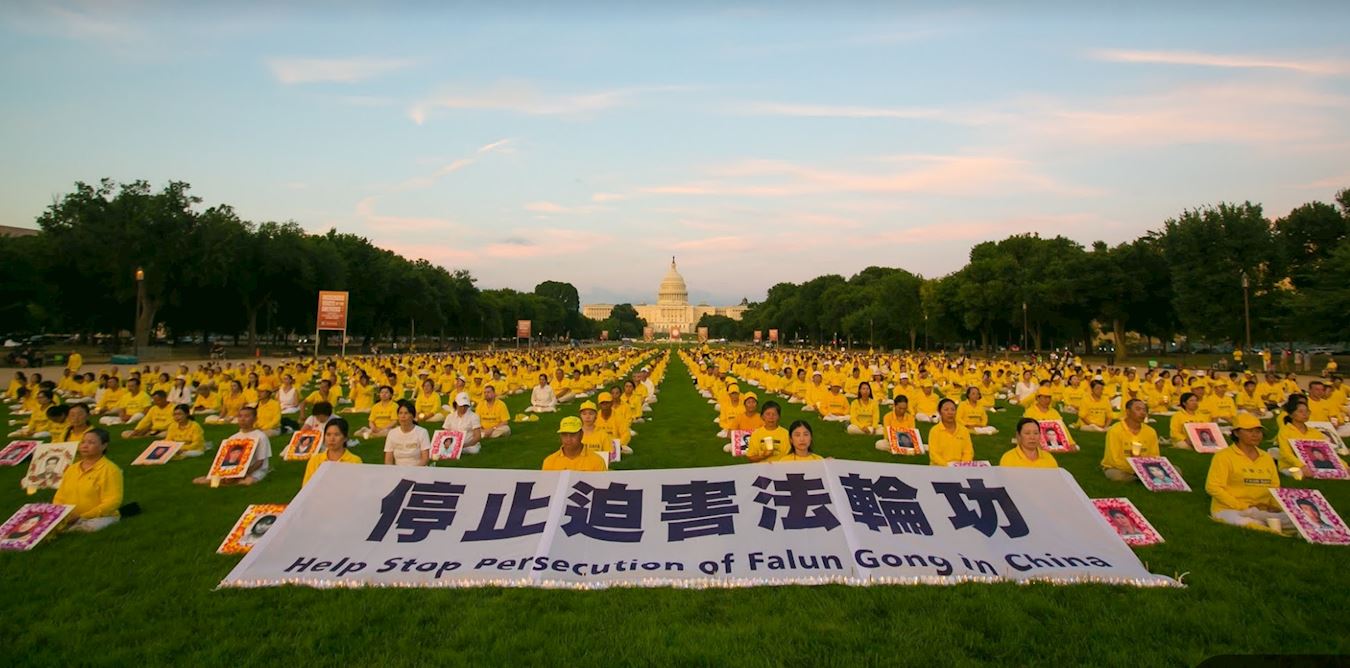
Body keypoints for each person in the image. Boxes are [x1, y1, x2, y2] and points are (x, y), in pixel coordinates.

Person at [1205, 413, 1294, 535]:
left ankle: (1275, 527)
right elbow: (1213, 487)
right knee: (1247, 522)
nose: (1255, 435)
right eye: (1249, 431)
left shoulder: (1266, 457)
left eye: (1258, 431)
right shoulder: (1223, 456)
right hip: (1231, 509)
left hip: (1262, 509)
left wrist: (1274, 506)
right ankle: (1275, 532)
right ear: (1236, 433)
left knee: (1299, 519)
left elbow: (1275, 486)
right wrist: (1242, 506)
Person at [53, 428, 124, 532]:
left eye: (91, 442)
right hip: (69, 516)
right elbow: (60, 496)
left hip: (98, 517)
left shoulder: (110, 470)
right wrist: (59, 513)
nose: (85, 446)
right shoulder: (72, 468)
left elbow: (112, 502)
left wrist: (83, 516)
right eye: (83, 442)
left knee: (90, 527)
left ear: (104, 446)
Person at [193, 405, 272, 486]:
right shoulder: (233, 437)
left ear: (255, 419)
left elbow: (260, 461)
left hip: (253, 469)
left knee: (247, 482)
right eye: (240, 416)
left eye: (247, 416)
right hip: (233, 470)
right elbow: (225, 460)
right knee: (198, 481)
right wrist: (229, 474)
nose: (243, 419)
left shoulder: (261, 436)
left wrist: (244, 473)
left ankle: (230, 482)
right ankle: (227, 481)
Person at [1099, 399, 1161, 481]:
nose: (1142, 413)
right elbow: (1114, 460)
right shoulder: (1115, 430)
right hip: (1120, 468)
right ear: (1128, 412)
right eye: (1138, 409)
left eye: (1144, 410)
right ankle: (1140, 478)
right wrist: (1135, 467)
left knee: (1176, 469)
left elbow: (1155, 456)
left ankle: (1141, 478)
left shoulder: (1151, 432)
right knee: (1117, 475)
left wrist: (1144, 467)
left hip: (1145, 468)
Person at [1272, 396, 1325, 476]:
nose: (1305, 414)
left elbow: (1327, 452)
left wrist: (1344, 466)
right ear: (1291, 415)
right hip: (1290, 466)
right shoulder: (1285, 431)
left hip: (1315, 464)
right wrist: (1302, 466)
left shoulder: (1315, 432)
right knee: (1301, 473)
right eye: (1300, 411)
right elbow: (1286, 454)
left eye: (1307, 411)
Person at [303, 417, 362, 487]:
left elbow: (356, 487)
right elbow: (306, 487)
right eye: (328, 434)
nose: (331, 439)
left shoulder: (355, 461)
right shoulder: (315, 461)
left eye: (336, 435)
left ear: (345, 438)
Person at [542, 416, 608, 471]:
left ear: (581, 434)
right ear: (560, 436)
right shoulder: (549, 462)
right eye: (564, 434)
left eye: (573, 434)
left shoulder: (597, 461)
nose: (568, 439)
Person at [384, 400, 431, 467]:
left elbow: (425, 459)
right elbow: (388, 460)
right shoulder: (392, 433)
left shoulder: (422, 432)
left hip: (418, 470)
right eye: (400, 413)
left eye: (406, 413)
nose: (403, 416)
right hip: (398, 471)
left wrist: (412, 471)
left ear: (412, 416)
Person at [928, 398, 974, 466]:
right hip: (940, 468)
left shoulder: (964, 430)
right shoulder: (935, 431)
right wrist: (947, 466)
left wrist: (963, 465)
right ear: (940, 412)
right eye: (946, 410)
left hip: (960, 468)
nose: (950, 413)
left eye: (953, 410)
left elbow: (968, 452)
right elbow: (934, 455)